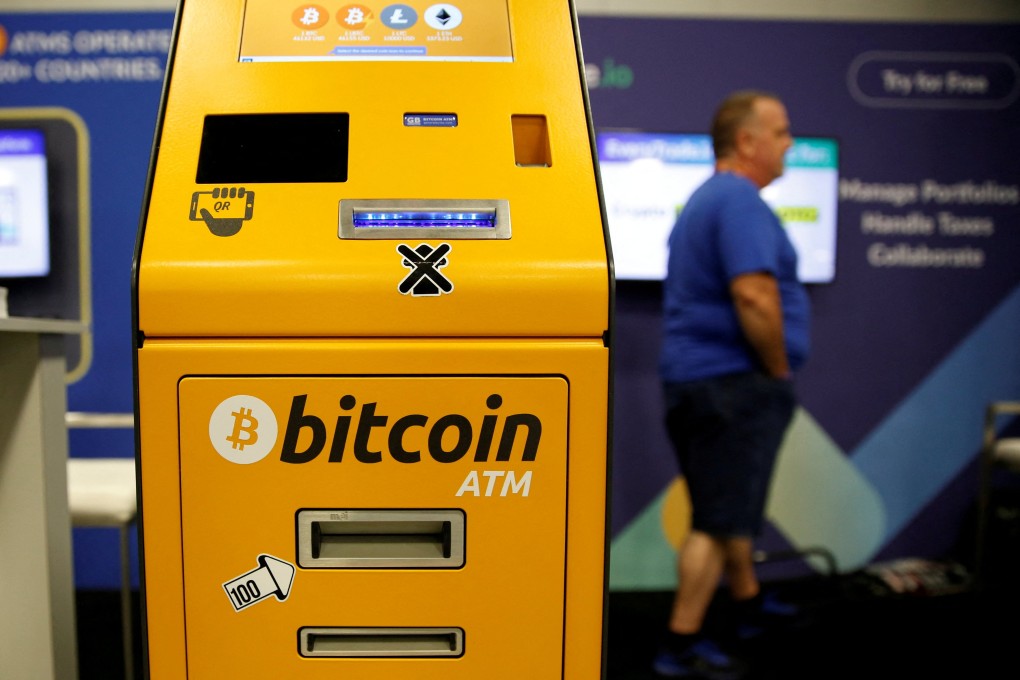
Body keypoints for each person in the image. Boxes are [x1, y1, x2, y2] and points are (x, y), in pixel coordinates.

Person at [653, 91, 810, 679]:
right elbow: (754, 294)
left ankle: (747, 608)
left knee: (727, 507)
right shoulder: (739, 200)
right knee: (718, 523)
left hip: (700, 384)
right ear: (747, 141)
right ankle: (678, 645)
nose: (789, 142)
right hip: (732, 384)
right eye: (781, 130)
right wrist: (776, 367)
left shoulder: (705, 200)